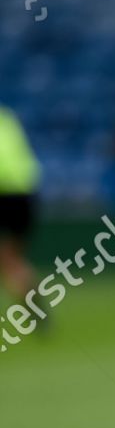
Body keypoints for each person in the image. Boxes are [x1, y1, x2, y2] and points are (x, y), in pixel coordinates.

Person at [0, 105, 41, 308]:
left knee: (7, 260)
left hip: (4, 192)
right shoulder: (7, 117)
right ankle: (28, 289)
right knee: (12, 256)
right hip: (26, 193)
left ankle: (29, 297)